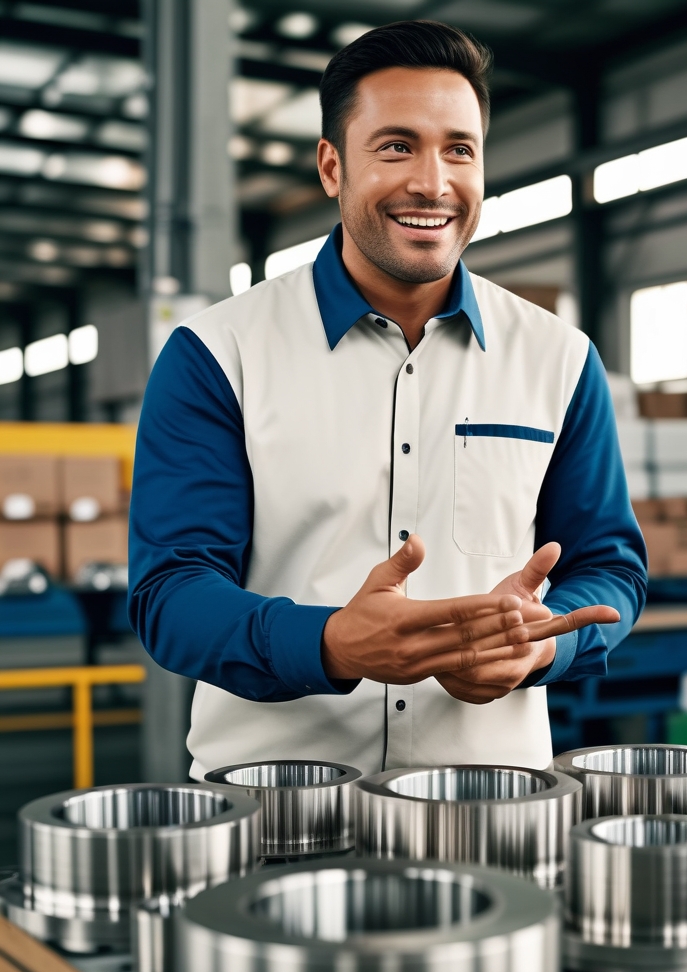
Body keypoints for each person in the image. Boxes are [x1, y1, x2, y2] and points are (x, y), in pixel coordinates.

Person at [128, 20, 647, 779]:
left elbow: (609, 565)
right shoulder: (219, 354)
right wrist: (329, 643)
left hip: (490, 804)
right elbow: (172, 592)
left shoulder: (559, 359)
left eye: (459, 150)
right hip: (277, 801)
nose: (433, 183)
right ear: (332, 167)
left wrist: (542, 645)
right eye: (397, 147)